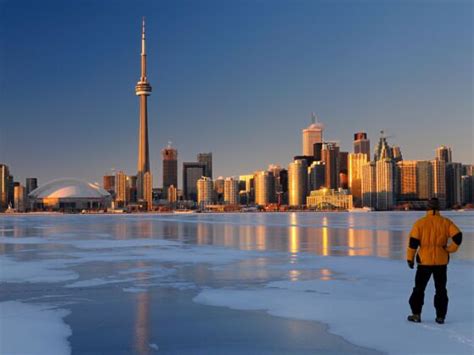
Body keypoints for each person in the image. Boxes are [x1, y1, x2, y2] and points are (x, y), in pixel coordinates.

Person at [406, 198, 463, 324]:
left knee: (419, 289)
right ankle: (440, 317)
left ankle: (416, 314)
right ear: (438, 209)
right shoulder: (446, 222)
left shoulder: (420, 223)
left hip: (424, 262)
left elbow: (413, 243)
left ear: (428, 208)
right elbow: (458, 237)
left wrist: (410, 259)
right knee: (441, 289)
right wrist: (449, 249)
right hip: (441, 262)